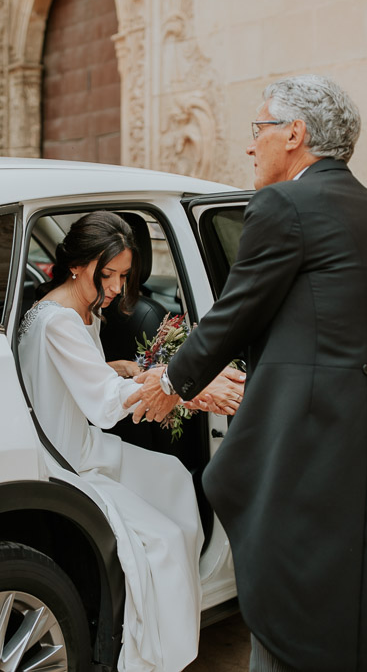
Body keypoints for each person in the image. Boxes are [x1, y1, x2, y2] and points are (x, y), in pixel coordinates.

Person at [127, 75, 367, 671]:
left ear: (296, 134)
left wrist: (169, 383)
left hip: (308, 448)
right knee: (358, 596)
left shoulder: (284, 204)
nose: (249, 145)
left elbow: (235, 313)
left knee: (296, 603)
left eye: (258, 128)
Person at [16, 211, 239, 672]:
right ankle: (153, 657)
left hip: (83, 442)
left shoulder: (76, 309)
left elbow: (80, 377)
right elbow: (103, 404)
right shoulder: (59, 322)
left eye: (123, 275)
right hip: (69, 459)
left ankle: (174, 624)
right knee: (164, 539)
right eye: (109, 274)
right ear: (78, 265)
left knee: (176, 477)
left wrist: (118, 366)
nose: (117, 287)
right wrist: (180, 385)